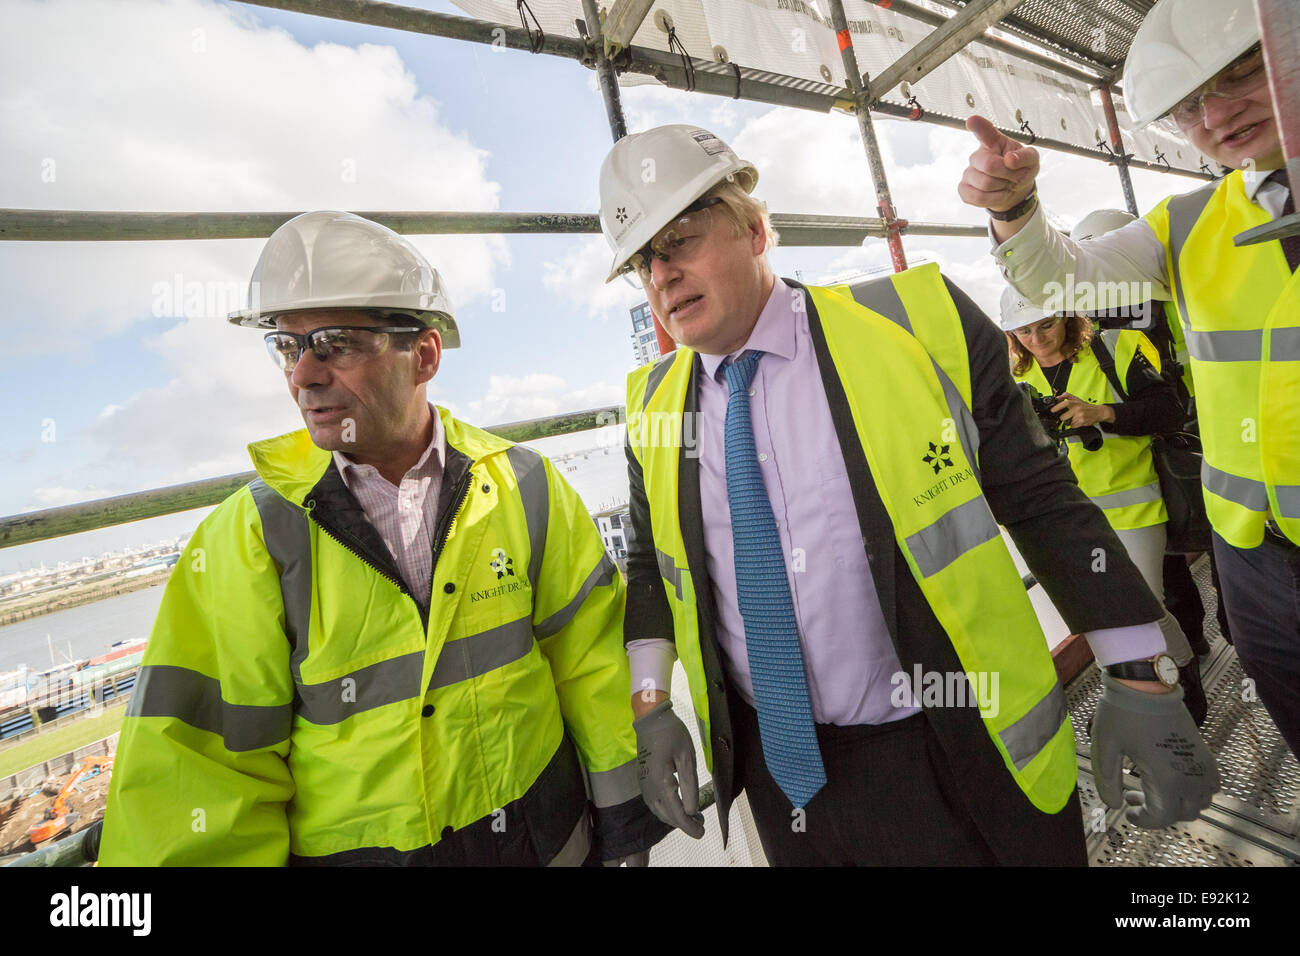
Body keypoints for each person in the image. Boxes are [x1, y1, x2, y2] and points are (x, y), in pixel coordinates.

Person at [602, 124, 1218, 866]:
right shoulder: (653, 407)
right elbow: (646, 565)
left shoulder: (915, 324)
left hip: (955, 747)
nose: (661, 275)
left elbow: (1038, 497)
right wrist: (650, 703)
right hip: (785, 781)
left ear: (756, 228)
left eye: (681, 238)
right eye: (643, 260)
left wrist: (1137, 667)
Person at [100, 211, 666, 866]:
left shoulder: (526, 488)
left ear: (423, 355)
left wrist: (625, 823)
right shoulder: (248, 540)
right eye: (287, 346)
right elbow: (198, 777)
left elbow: (590, 664)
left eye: (334, 343)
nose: (303, 376)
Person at [959, 0, 1299, 756]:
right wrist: (1014, 204)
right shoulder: (1186, 221)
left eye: (1240, 70)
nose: (1215, 112)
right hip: (1253, 558)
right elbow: (1063, 277)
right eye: (1185, 107)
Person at [999, 288, 1206, 723]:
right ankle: (1170, 681)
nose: (1037, 339)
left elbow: (1169, 410)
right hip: (1068, 518)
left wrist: (1102, 414)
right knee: (1103, 615)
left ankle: (1167, 698)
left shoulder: (1117, 347)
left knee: (1141, 608)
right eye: (1024, 331)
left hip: (1134, 505)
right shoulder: (1014, 378)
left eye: (1046, 325)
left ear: (1068, 317)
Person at [1071, 209, 1232, 656]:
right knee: (1177, 541)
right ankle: (1198, 636)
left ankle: (1223, 630)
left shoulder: (1169, 300)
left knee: (1211, 532)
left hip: (1199, 432)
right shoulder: (1090, 319)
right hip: (1157, 439)